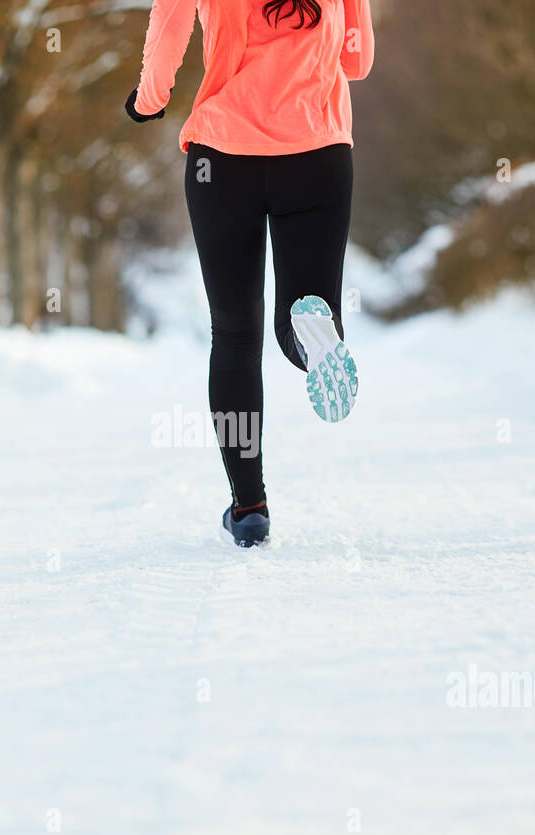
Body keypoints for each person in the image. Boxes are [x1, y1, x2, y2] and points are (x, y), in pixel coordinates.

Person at [126, 0, 375, 548]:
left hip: (224, 159)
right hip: (318, 152)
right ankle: (312, 340)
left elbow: (168, 26)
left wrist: (149, 100)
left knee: (236, 334)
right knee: (307, 309)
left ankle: (250, 506)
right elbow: (356, 61)